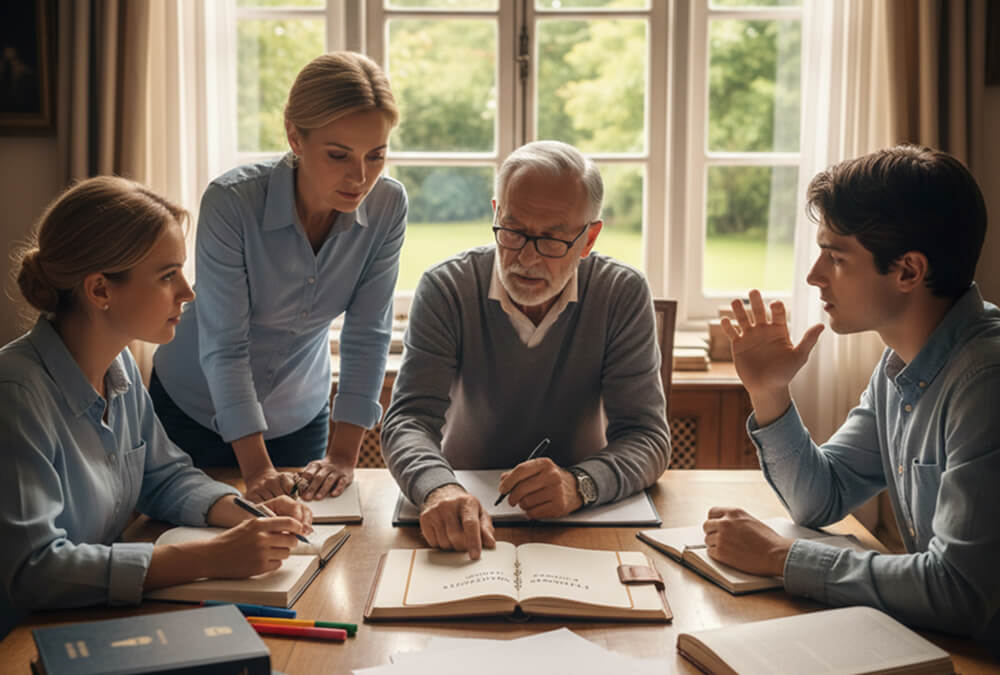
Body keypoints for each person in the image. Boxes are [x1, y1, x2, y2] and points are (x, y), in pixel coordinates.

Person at [704, 145, 1000, 642]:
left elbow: (961, 591)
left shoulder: (985, 383)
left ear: (908, 271)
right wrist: (769, 391)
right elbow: (823, 497)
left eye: (836, 257)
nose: (814, 275)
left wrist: (781, 557)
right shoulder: (898, 367)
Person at [0, 176, 314, 639]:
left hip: (93, 620)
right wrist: (210, 556)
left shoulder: (118, 364)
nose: (188, 292)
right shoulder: (16, 394)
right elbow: (35, 569)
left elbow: (162, 476)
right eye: (168, 275)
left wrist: (250, 515)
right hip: (24, 639)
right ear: (100, 291)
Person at [382, 140, 671, 559]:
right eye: (513, 232)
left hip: (578, 525)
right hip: (461, 514)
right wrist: (437, 487)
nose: (526, 258)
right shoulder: (446, 287)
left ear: (589, 238)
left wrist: (580, 484)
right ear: (496, 214)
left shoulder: (620, 292)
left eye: (552, 240)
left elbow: (648, 436)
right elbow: (408, 418)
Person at [151, 52, 406, 502]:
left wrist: (344, 457)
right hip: (191, 407)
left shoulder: (388, 207)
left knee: (305, 552)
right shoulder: (232, 202)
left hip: (297, 413)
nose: (360, 177)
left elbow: (368, 333)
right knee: (195, 549)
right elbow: (226, 345)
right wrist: (257, 469)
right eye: (338, 155)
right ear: (295, 136)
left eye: (376, 155)